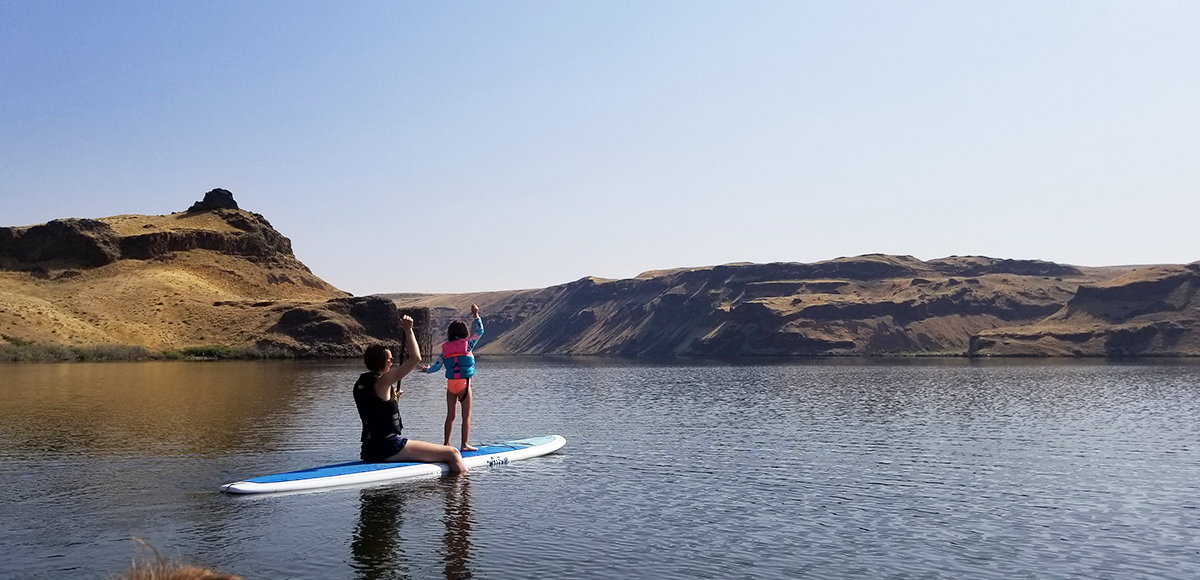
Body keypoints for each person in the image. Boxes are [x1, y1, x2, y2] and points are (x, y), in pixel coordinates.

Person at [353, 315, 467, 473]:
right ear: (383, 362)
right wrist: (408, 330)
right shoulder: (383, 381)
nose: (392, 362)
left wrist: (392, 400)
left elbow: (374, 408)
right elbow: (415, 359)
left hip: (368, 449)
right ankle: (463, 493)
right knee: (453, 453)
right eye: (390, 359)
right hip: (388, 447)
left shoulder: (360, 384)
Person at [420, 303, 484, 451]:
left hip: (451, 385)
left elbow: (437, 366)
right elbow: (480, 331)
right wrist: (476, 314)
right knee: (466, 416)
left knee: (450, 416)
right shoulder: (468, 345)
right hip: (464, 384)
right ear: (465, 333)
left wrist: (427, 370)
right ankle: (464, 445)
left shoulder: (445, 348)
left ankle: (446, 444)